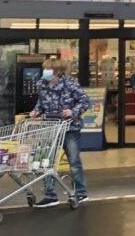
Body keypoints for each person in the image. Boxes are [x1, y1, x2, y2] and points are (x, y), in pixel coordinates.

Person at [29, 58, 91, 207]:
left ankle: (81, 193)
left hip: (69, 128)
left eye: (48, 69)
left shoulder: (70, 84)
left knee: (74, 161)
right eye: (45, 69)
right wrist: (36, 111)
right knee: (46, 162)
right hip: (50, 128)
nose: (45, 72)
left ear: (58, 71)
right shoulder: (42, 85)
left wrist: (73, 111)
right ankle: (50, 195)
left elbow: (85, 101)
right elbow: (41, 102)